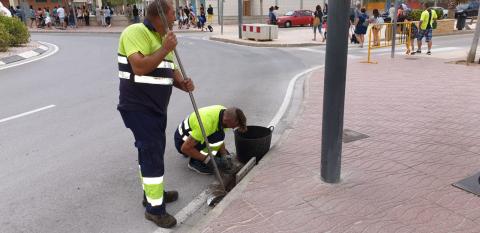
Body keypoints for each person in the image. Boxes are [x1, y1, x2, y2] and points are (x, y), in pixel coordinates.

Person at [117, 0, 194, 228]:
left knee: (149, 152)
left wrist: (183, 83)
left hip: (156, 108)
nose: (175, 20)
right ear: (159, 16)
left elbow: (168, 72)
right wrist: (165, 49)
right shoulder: (135, 32)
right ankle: (155, 209)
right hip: (138, 107)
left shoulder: (162, 39)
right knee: (152, 154)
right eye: (172, 16)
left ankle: (152, 194)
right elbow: (139, 67)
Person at [174, 105, 247, 174]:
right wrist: (209, 160)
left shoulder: (224, 113)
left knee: (218, 135)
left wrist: (224, 154)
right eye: (234, 125)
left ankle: (208, 156)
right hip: (182, 141)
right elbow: (185, 148)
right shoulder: (205, 125)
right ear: (226, 120)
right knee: (214, 164)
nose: (234, 128)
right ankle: (195, 162)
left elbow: (219, 139)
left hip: (195, 135)